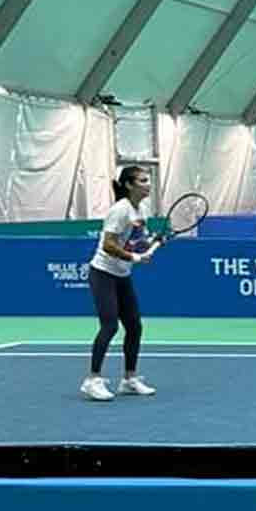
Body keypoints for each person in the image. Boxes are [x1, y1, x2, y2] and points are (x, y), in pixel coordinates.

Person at [80, 166, 157, 401]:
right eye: (143, 180)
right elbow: (108, 245)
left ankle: (129, 379)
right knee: (110, 325)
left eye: (148, 180)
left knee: (134, 326)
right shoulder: (120, 210)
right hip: (103, 273)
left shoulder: (140, 209)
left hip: (122, 275)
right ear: (129, 185)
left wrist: (153, 241)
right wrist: (135, 258)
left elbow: (137, 240)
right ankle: (92, 380)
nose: (148, 184)